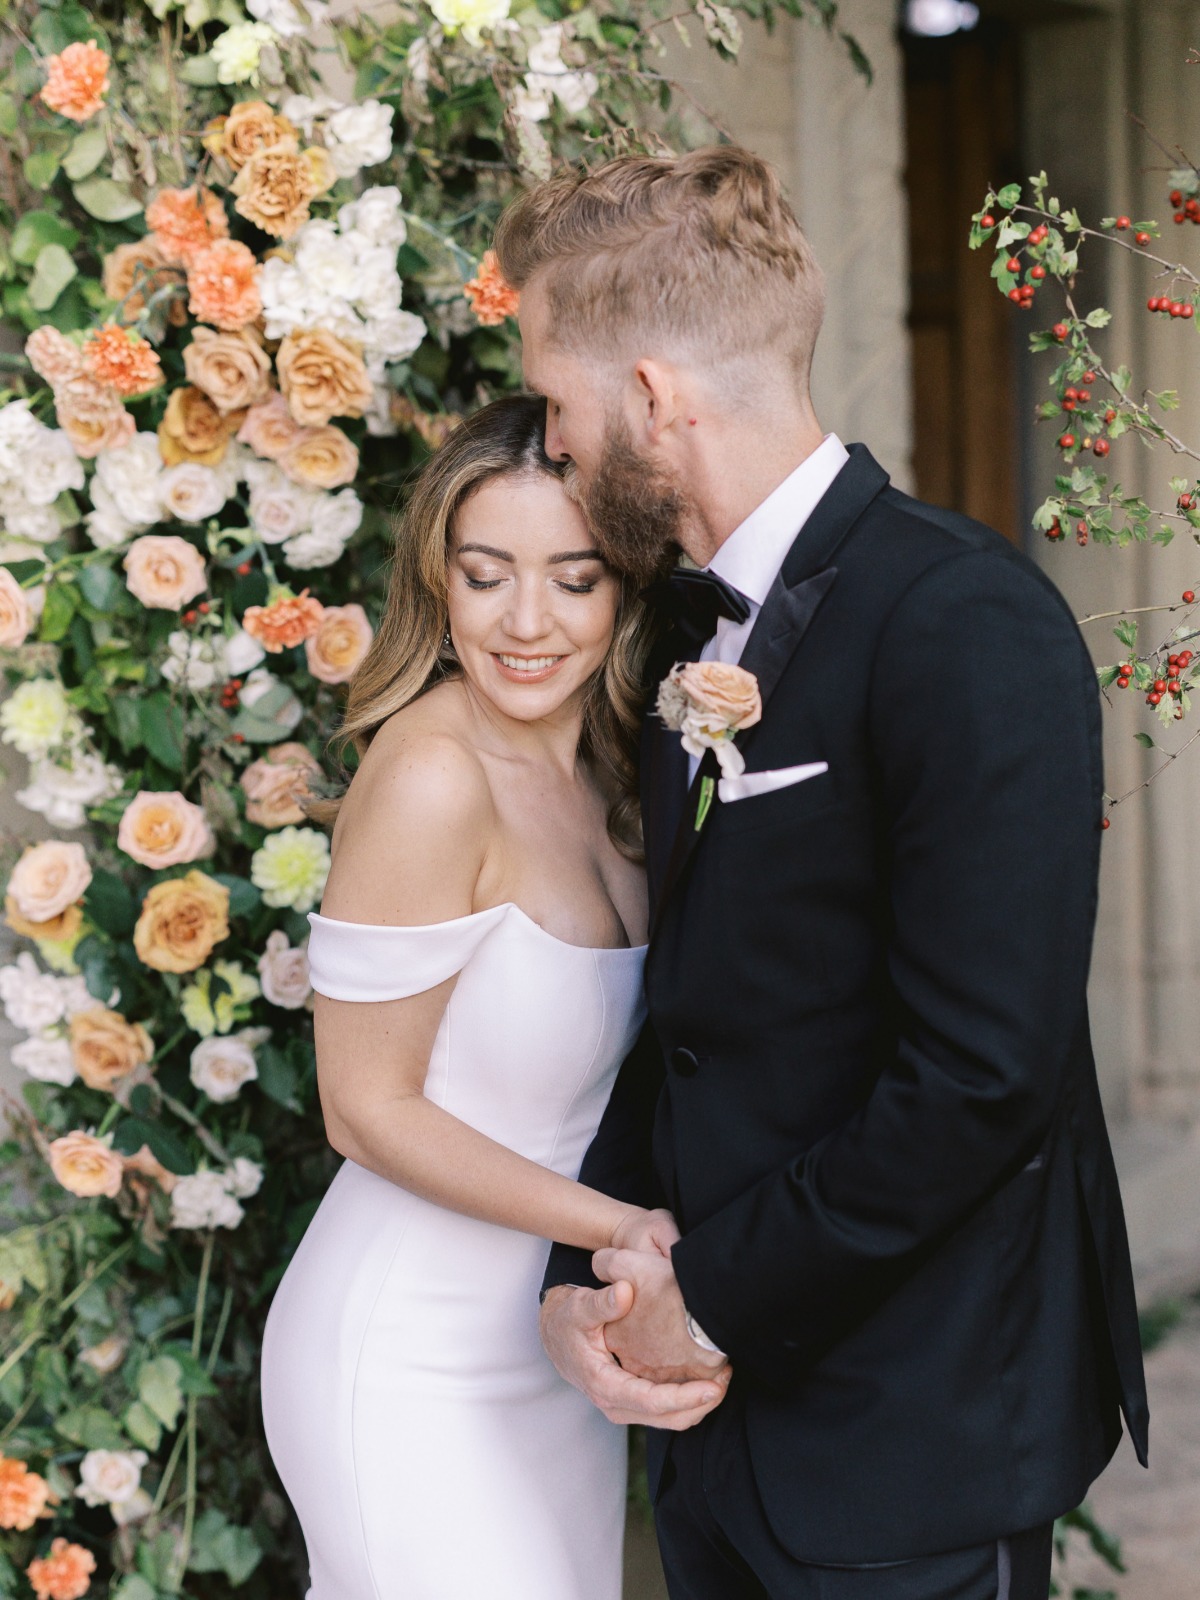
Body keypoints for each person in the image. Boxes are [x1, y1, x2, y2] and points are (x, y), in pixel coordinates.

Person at [494, 147, 1151, 1600]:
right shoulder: (676, 633)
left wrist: (711, 1300)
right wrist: (581, 1284)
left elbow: (983, 1074)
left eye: (558, 400)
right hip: (717, 1443)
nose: (549, 443)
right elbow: (691, 1013)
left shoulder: (967, 623)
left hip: (911, 1437)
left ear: (653, 399)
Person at [258, 395, 727, 1600]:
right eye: (486, 575)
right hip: (407, 1348)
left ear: (625, 587)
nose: (528, 623)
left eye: (574, 579)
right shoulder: (429, 772)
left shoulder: (623, 770)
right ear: (439, 583)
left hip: (551, 1351)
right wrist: (618, 1228)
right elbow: (365, 1108)